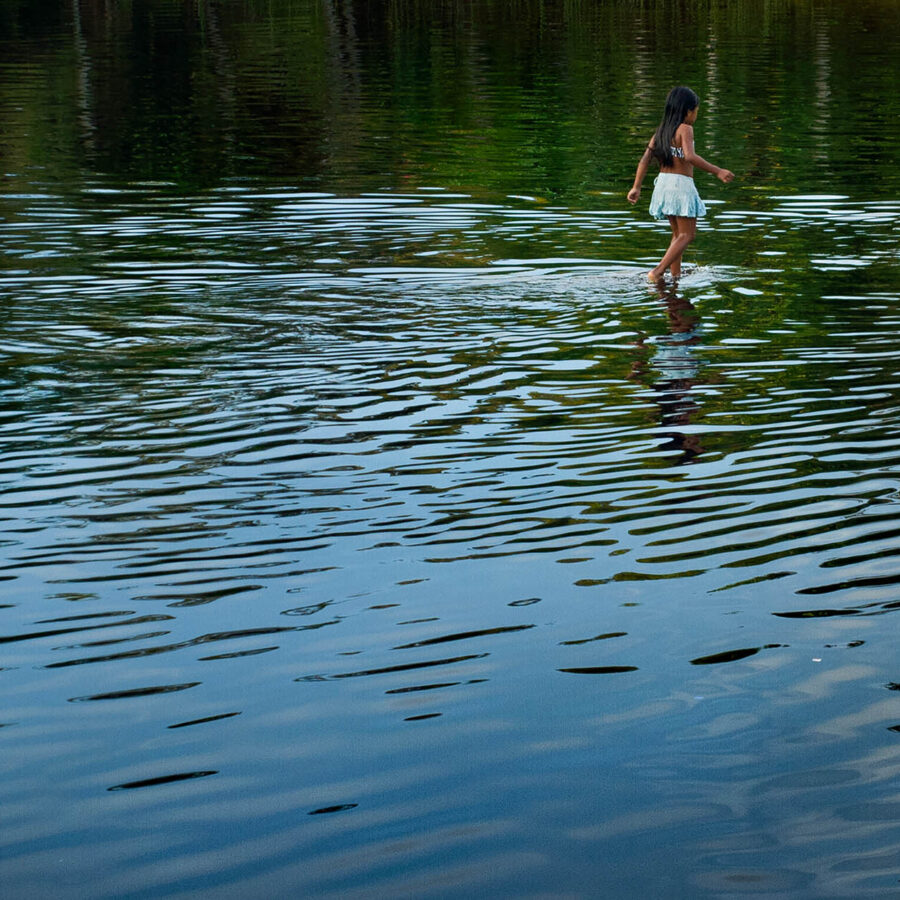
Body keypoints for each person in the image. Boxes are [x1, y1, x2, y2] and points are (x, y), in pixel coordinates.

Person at [627, 86, 734, 282]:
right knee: (688, 235)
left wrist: (636, 186)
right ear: (688, 111)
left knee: (677, 235)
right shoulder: (685, 129)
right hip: (680, 185)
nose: (696, 116)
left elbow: (645, 159)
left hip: (663, 185)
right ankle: (657, 271)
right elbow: (690, 156)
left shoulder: (661, 131)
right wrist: (718, 171)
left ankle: (674, 276)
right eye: (696, 111)